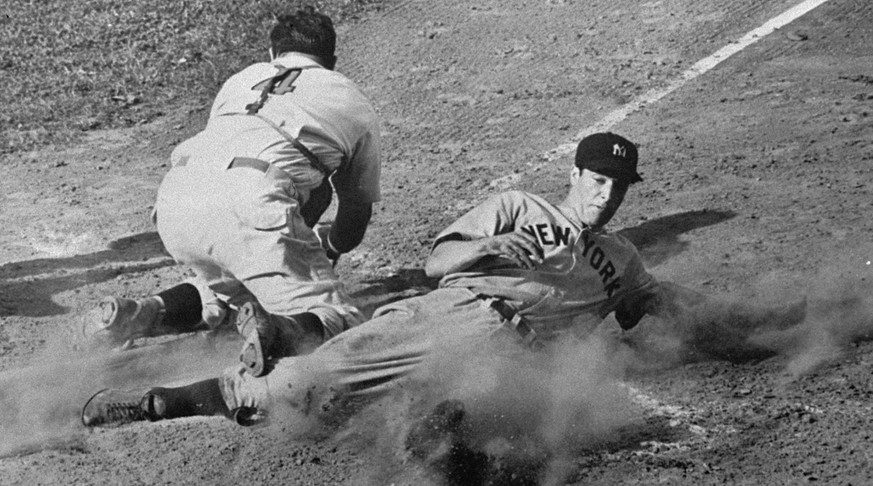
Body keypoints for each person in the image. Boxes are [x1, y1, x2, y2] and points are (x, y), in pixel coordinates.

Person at [81, 132, 805, 432]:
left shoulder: (623, 259)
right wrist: (495, 249)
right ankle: (156, 404)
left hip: (514, 359)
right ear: (575, 175)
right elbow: (435, 267)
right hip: (451, 314)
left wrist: (776, 332)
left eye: (618, 185)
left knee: (480, 421)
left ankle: (443, 442)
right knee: (299, 395)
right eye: (596, 179)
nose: (606, 194)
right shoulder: (521, 207)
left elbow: (672, 316)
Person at [81, 6, 382, 376]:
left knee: (235, 286)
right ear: (332, 60)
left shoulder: (242, 79)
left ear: (273, 53)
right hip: (251, 199)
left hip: (178, 197)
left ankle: (142, 313)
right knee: (342, 320)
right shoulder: (350, 98)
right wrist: (330, 247)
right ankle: (276, 329)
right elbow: (355, 213)